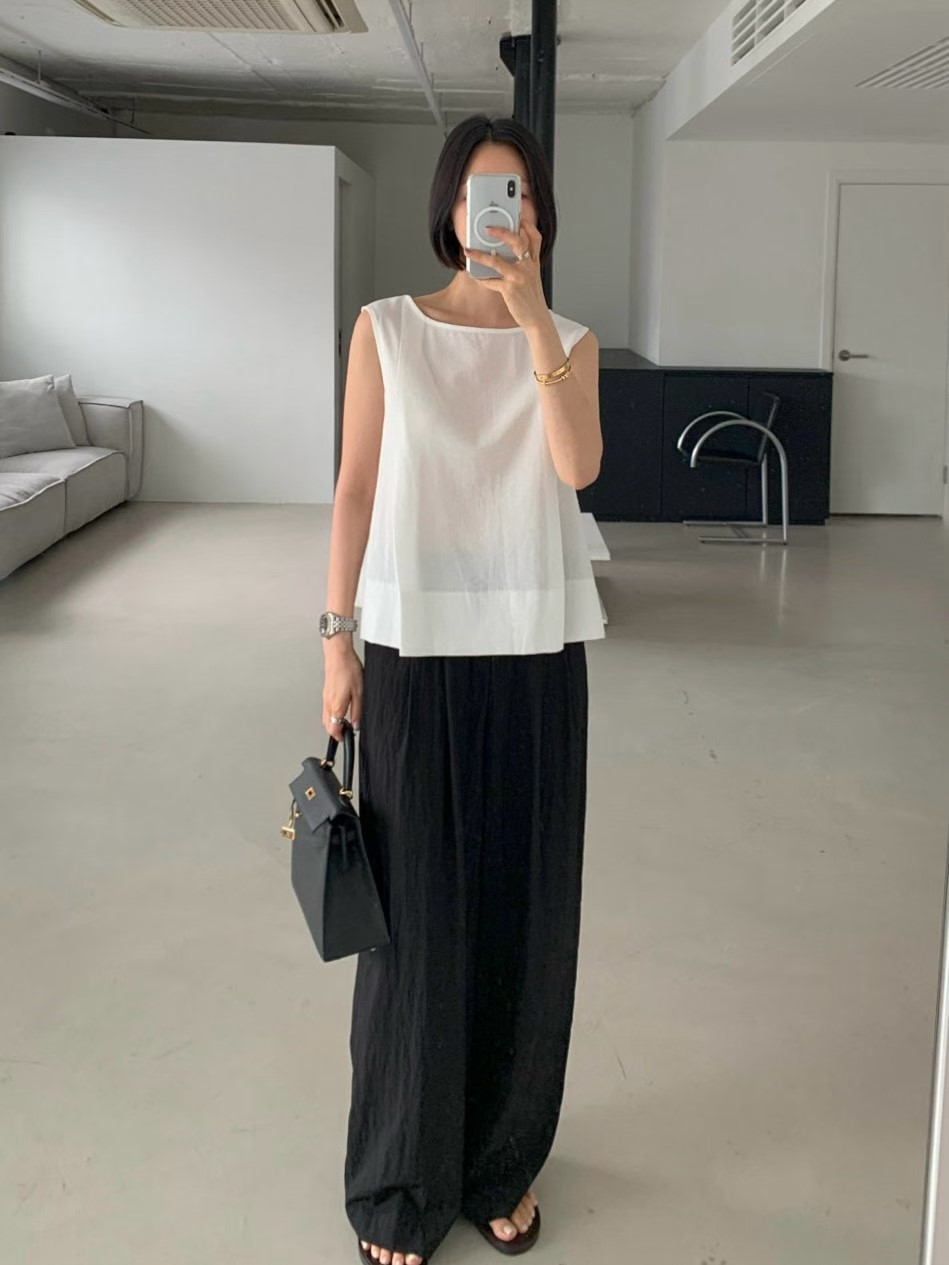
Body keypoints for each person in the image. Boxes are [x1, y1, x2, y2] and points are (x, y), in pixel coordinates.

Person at [320, 113, 605, 1265]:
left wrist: (532, 316)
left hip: (536, 651)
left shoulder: (568, 340)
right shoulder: (386, 328)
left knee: (524, 915)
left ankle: (498, 1158)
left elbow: (577, 465)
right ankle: (401, 1172)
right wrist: (334, 640)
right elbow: (353, 486)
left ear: (537, 215)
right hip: (410, 649)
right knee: (411, 922)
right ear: (447, 208)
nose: (500, 212)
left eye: (517, 193)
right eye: (482, 192)